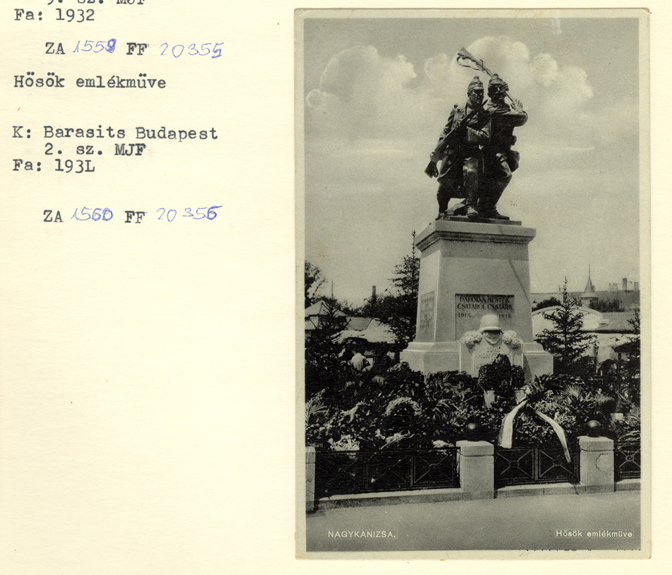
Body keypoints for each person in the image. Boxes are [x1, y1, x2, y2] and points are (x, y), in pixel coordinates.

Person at [432, 76, 491, 219]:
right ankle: (442, 209)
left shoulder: (484, 114)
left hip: (471, 152)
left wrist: (467, 131)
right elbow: (446, 130)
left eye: (482, 92)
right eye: (477, 92)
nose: (480, 95)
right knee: (444, 181)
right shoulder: (457, 110)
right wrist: (438, 148)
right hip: (453, 152)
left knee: (471, 172)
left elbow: (486, 136)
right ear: (469, 93)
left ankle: (471, 205)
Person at [479, 74, 527, 220]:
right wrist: (519, 109)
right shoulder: (492, 109)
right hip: (491, 152)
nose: (500, 91)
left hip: (503, 151)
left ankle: (485, 206)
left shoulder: (504, 107)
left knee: (493, 180)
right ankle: (488, 207)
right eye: (496, 89)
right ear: (490, 92)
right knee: (505, 175)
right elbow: (521, 118)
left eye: (502, 88)